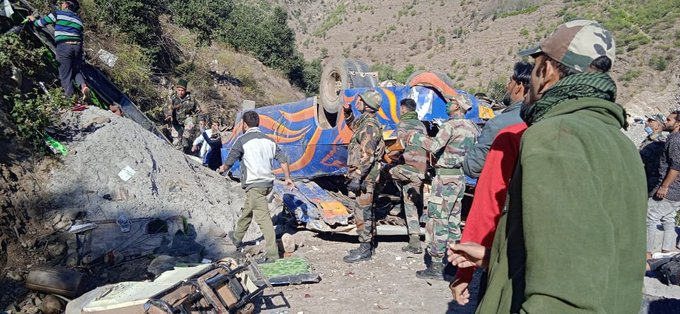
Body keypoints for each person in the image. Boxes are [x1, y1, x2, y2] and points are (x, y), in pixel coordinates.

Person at [450, 20, 647, 313]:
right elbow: (585, 257)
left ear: (546, 72)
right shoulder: (621, 144)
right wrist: (495, 257)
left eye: (536, 67)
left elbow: (564, 298)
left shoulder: (555, 136)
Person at [409, 93, 478, 280]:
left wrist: (416, 138)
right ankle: (454, 263)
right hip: (460, 178)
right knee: (454, 221)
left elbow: (434, 146)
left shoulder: (449, 126)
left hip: (445, 179)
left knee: (437, 220)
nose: (448, 105)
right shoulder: (472, 127)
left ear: (458, 106)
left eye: (451, 102)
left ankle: (436, 265)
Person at [218, 111, 295, 262]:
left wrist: (222, 169)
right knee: (248, 209)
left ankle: (273, 254)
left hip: (255, 185)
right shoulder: (269, 141)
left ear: (244, 125)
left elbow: (230, 160)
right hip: (267, 184)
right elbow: (283, 160)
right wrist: (287, 178)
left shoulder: (242, 141)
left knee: (264, 219)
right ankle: (237, 237)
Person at [462, 62, 532, 178]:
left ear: (518, 87)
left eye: (510, 82)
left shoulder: (498, 124)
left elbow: (472, 167)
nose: (507, 86)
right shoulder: (541, 119)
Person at [343, 90, 385, 263]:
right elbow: (353, 126)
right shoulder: (364, 123)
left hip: (366, 177)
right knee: (364, 210)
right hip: (365, 175)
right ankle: (367, 245)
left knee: (363, 211)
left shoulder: (369, 127)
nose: (356, 101)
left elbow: (367, 156)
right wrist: (348, 113)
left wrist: (357, 177)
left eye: (359, 100)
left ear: (367, 104)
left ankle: (365, 248)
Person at [388, 98, 427, 254]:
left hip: (408, 170)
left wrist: (388, 153)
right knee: (411, 201)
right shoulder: (422, 126)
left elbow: (399, 147)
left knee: (385, 171)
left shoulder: (403, 125)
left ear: (403, 109)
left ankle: (414, 241)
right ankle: (415, 240)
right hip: (421, 171)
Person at [29, 0, 89, 100]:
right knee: (76, 71)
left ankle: (70, 100)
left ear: (66, 5)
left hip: (64, 46)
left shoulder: (58, 14)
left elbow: (41, 23)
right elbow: (80, 36)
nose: (61, 5)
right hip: (77, 47)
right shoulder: (79, 20)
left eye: (62, 3)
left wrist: (33, 19)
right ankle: (83, 87)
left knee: (65, 74)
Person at [647, 111, 680, 259]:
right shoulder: (674, 138)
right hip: (675, 189)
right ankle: (666, 251)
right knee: (668, 218)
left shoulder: (675, 139)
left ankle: (646, 254)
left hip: (670, 188)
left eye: (668, 119)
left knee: (649, 217)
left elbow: (676, 166)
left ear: (678, 124)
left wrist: (664, 186)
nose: (665, 122)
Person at [165, 79, 200, 153]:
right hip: (176, 122)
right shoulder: (172, 97)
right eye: (179, 90)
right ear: (176, 89)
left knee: (190, 123)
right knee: (176, 143)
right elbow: (167, 107)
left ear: (185, 90)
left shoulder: (191, 98)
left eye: (182, 90)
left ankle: (185, 138)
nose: (180, 92)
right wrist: (168, 115)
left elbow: (198, 110)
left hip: (187, 120)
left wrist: (200, 120)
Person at [640, 113, 668, 193]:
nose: (647, 122)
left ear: (658, 126)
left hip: (649, 180)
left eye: (650, 121)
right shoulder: (649, 139)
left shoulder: (659, 142)